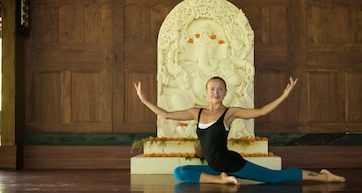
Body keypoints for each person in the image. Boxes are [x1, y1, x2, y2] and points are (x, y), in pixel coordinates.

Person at [134, 76, 345, 186]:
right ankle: (220, 180)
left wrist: (284, 96)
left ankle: (323, 176)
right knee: (180, 172)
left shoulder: (230, 113)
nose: (215, 92)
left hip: (231, 163)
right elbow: (167, 115)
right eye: (212, 89)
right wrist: (144, 100)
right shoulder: (195, 112)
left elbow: (261, 112)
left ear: (225, 92)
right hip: (216, 169)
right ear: (206, 92)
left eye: (220, 89)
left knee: (275, 177)